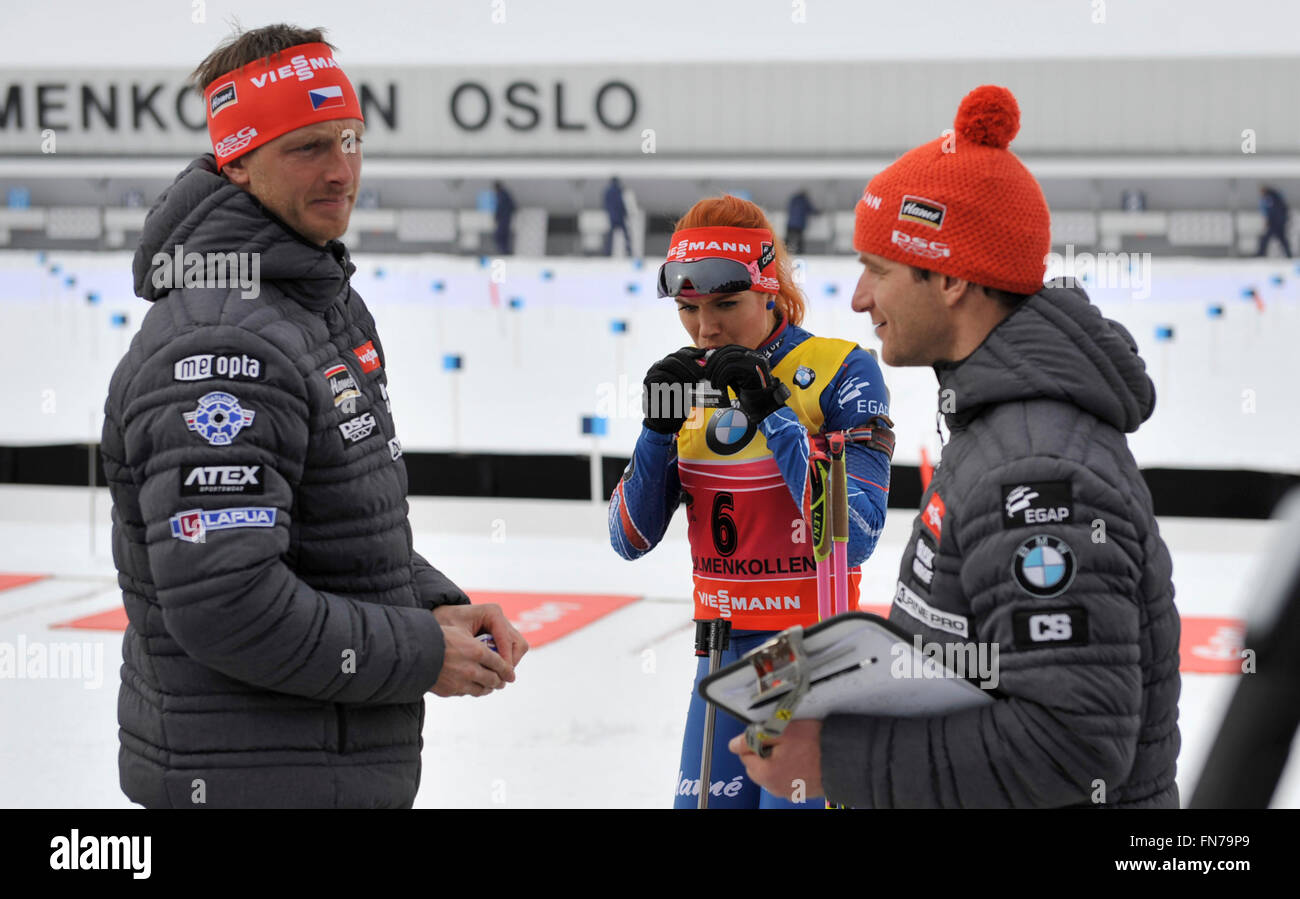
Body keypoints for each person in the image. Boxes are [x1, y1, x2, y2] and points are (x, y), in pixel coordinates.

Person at [100, 24, 527, 809]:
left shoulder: (315, 301)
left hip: (316, 771)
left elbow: (333, 536)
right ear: (238, 160)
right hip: (249, 782)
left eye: (350, 139)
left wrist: (432, 603)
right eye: (307, 148)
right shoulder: (221, 339)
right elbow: (229, 603)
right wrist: (419, 652)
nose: (342, 171)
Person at [731, 85, 1181, 809]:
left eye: (878, 269)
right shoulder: (993, 430)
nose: (857, 298)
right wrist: (854, 670)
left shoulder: (1036, 469)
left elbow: (1071, 743)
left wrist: (836, 760)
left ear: (948, 278)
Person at [608, 195, 894, 808]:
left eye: (725, 305)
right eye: (688, 309)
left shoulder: (842, 369)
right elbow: (628, 538)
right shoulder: (690, 382)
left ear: (769, 289)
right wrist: (657, 431)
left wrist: (773, 412)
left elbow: (858, 535)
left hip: (812, 653)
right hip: (720, 656)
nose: (706, 328)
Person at [1258, 186, 1291, 257]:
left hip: (1274, 223)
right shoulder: (1275, 197)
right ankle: (1289, 254)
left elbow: (1272, 212)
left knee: (1265, 239)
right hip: (1279, 223)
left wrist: (1269, 221)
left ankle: (1261, 254)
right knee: (1282, 239)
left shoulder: (1270, 198)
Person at [603, 175, 631, 256]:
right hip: (618, 216)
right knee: (624, 235)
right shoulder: (618, 191)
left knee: (611, 236)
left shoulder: (611, 191)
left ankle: (607, 252)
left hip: (614, 216)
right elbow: (621, 203)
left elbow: (607, 204)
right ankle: (628, 250)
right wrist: (625, 213)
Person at [785, 188, 816, 254]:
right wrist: (819, 212)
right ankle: (800, 253)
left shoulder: (793, 199)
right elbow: (811, 210)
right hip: (799, 225)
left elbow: (788, 208)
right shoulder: (805, 201)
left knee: (788, 239)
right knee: (799, 240)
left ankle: (784, 252)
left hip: (790, 223)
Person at [492, 180, 516, 255]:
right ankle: (504, 250)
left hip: (504, 218)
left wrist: (498, 215)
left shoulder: (502, 195)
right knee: (502, 236)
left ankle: (504, 251)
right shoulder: (502, 194)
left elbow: (501, 207)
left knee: (500, 236)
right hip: (504, 218)